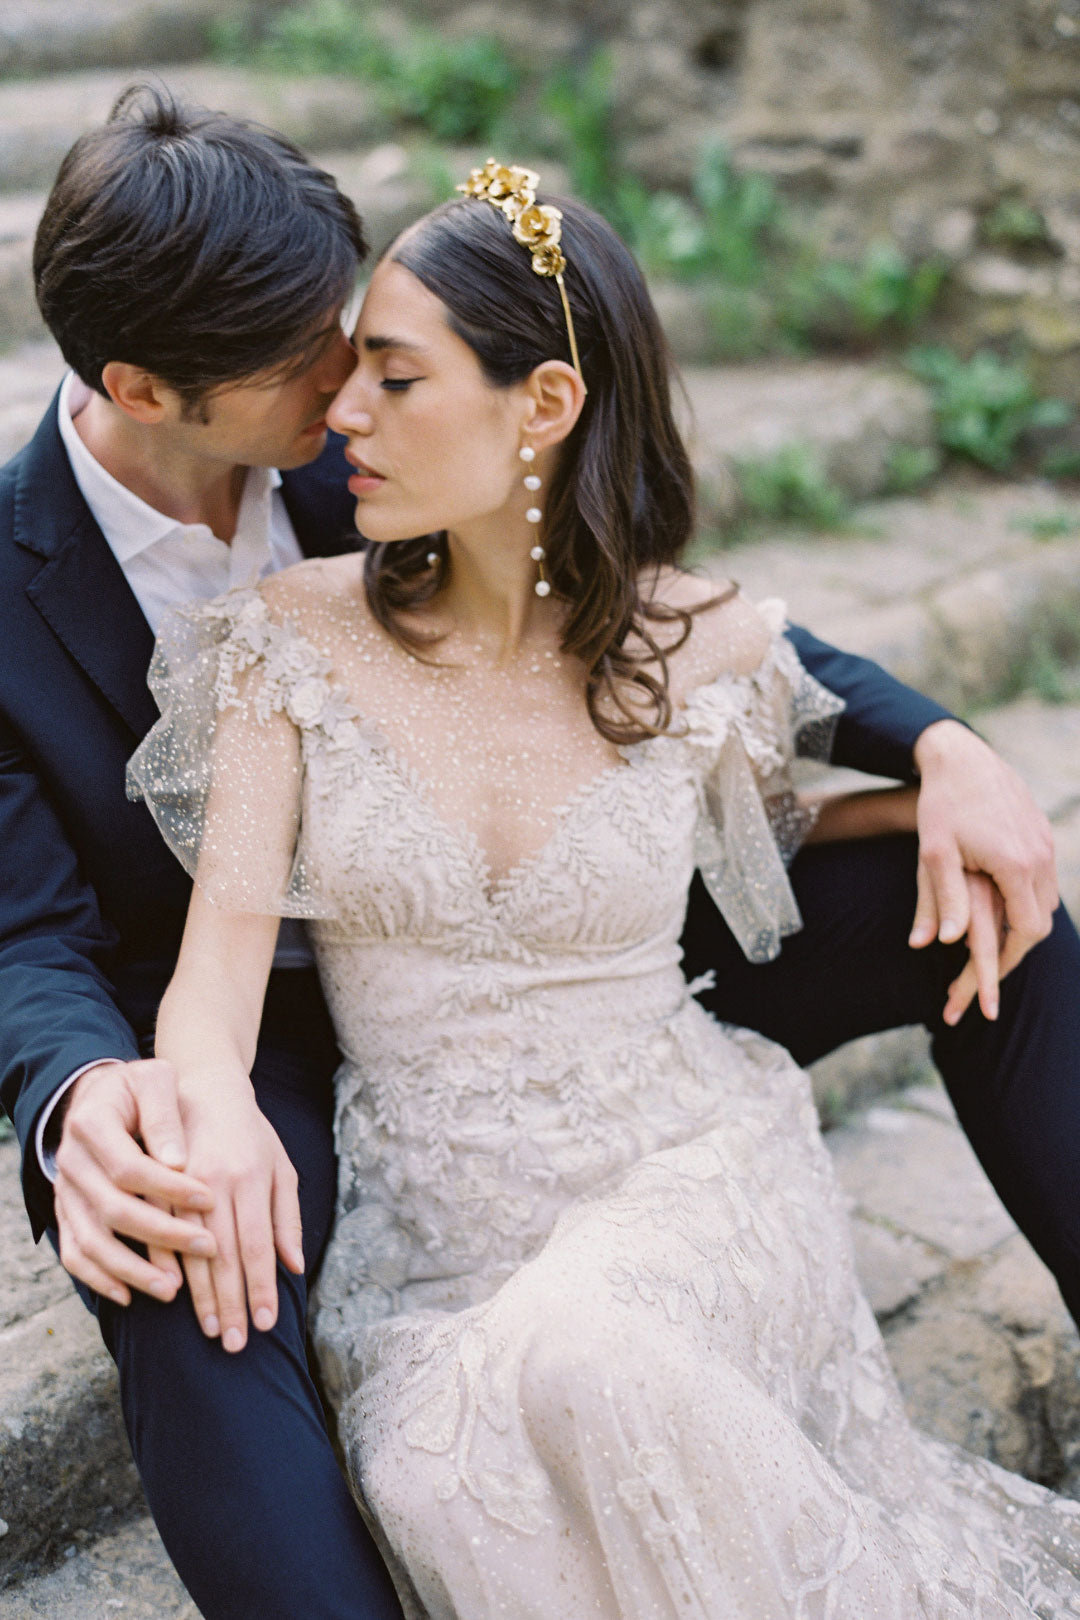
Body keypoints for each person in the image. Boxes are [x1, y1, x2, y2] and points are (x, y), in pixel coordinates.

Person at [0, 89, 1071, 1617]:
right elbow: (25, 933)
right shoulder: (126, 550)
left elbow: (658, 607)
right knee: (179, 1230)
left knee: (985, 893)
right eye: (316, 357)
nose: (347, 382)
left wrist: (945, 746)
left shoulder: (374, 444)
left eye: (368, 343)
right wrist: (93, 1096)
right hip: (306, 1046)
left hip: (584, 964)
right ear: (145, 385)